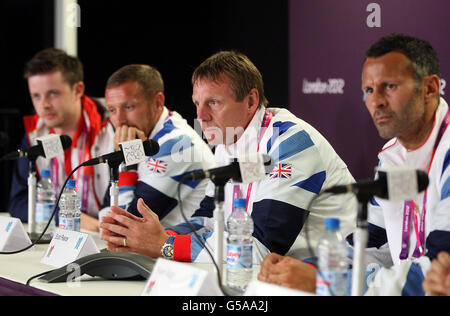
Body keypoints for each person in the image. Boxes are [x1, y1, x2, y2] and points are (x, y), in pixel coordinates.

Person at [100, 51, 357, 263]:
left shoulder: (290, 142)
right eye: (197, 103)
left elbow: (260, 250)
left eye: (213, 102)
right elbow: (208, 222)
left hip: (333, 277)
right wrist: (154, 239)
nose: (201, 116)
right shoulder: (227, 142)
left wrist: (164, 244)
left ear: (250, 101)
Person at [259, 33, 450, 296]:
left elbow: (440, 272)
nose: (376, 101)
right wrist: (304, 268)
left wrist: (326, 283)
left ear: (430, 88)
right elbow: (372, 242)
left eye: (390, 87)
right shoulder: (393, 157)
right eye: (369, 90)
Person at [8, 48, 114, 232]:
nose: (44, 105)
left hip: (104, 235)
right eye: (36, 96)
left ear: (78, 89)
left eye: (53, 93)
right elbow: (18, 202)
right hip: (63, 232)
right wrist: (65, 215)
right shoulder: (34, 133)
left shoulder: (111, 125)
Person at [99, 64, 215, 226]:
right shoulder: (146, 136)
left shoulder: (178, 144)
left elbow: (121, 225)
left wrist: (127, 158)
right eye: (112, 110)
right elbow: (107, 219)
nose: (119, 120)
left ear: (157, 102)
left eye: (129, 107)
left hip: (184, 248)